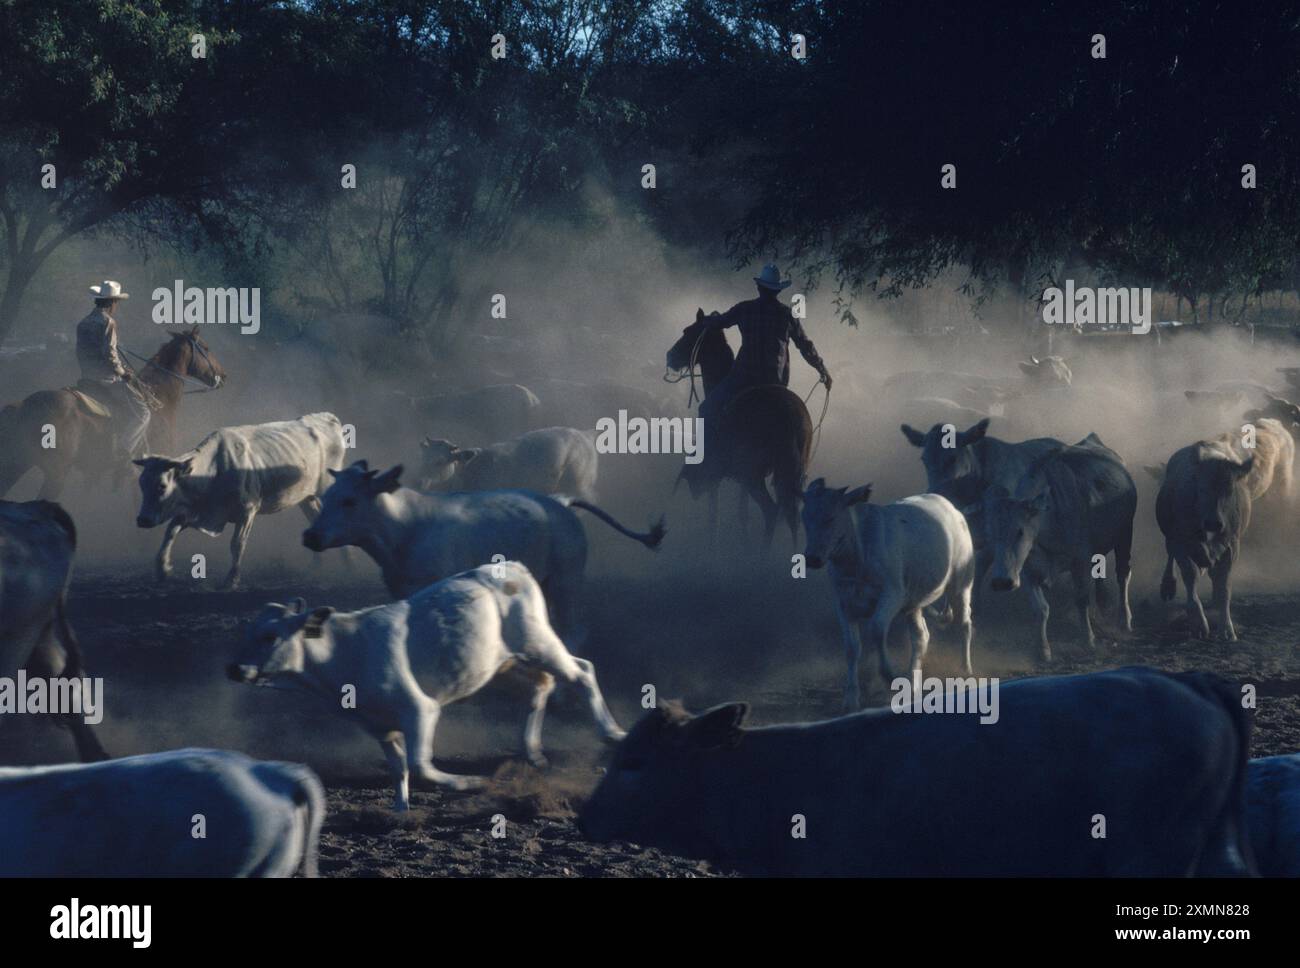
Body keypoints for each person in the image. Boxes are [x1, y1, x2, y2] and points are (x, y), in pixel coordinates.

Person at [698, 264, 831, 435]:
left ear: (759, 287)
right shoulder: (787, 315)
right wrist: (823, 370)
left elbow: (719, 322)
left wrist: (707, 319)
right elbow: (805, 346)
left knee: (707, 409)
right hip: (775, 380)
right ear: (777, 291)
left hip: (744, 377)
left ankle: (705, 457)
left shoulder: (745, 309)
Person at [75, 280, 154, 459]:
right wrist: (123, 373)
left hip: (86, 378)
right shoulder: (107, 322)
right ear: (112, 302)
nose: (117, 306)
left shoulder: (84, 322)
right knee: (143, 413)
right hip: (107, 381)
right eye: (117, 302)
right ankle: (124, 451)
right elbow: (110, 354)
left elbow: (81, 352)